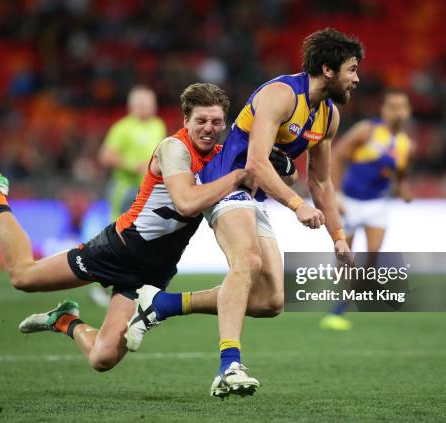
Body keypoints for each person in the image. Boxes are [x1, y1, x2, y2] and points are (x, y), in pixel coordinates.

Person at [0, 83, 294, 377]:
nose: (208, 128)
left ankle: (64, 320)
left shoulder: (220, 156)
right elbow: (187, 203)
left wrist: (281, 168)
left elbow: (254, 184)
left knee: (102, 359)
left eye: (217, 122)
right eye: (200, 120)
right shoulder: (174, 148)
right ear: (185, 120)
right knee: (22, 276)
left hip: (155, 271)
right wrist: (238, 175)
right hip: (120, 249)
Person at [125, 28, 363, 398]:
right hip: (225, 180)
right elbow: (255, 163)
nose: (357, 78)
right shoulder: (281, 95)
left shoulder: (328, 117)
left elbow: (322, 183)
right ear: (329, 69)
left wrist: (338, 237)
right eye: (351, 69)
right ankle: (228, 366)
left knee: (271, 302)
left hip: (253, 196)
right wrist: (297, 205)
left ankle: (161, 304)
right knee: (247, 261)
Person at [319, 88, 414, 331]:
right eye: (393, 106)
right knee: (345, 256)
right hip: (350, 202)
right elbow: (337, 154)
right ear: (384, 110)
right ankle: (341, 294)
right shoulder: (368, 131)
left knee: (372, 258)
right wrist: (336, 193)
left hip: (377, 205)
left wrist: (403, 189)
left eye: (402, 106)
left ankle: (340, 308)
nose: (398, 111)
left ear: (408, 111)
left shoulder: (406, 145)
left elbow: (401, 172)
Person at [90, 86, 166, 307]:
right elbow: (105, 156)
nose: (147, 108)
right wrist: (133, 166)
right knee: (116, 235)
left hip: (149, 189)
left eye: (150, 103)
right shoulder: (123, 128)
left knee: (144, 237)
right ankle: (97, 283)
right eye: (142, 104)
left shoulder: (157, 125)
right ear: (131, 106)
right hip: (124, 188)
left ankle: (136, 286)